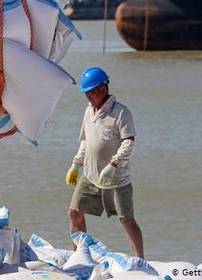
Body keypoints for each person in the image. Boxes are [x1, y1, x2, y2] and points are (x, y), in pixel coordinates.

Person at [66, 66, 143, 258]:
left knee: (126, 219)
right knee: (74, 212)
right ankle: (79, 256)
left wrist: (113, 165)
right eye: (85, 94)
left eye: (90, 92)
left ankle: (141, 260)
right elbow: (86, 141)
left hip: (116, 179)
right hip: (90, 176)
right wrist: (76, 165)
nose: (87, 97)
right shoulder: (88, 112)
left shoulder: (121, 113)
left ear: (102, 89)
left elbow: (129, 143)